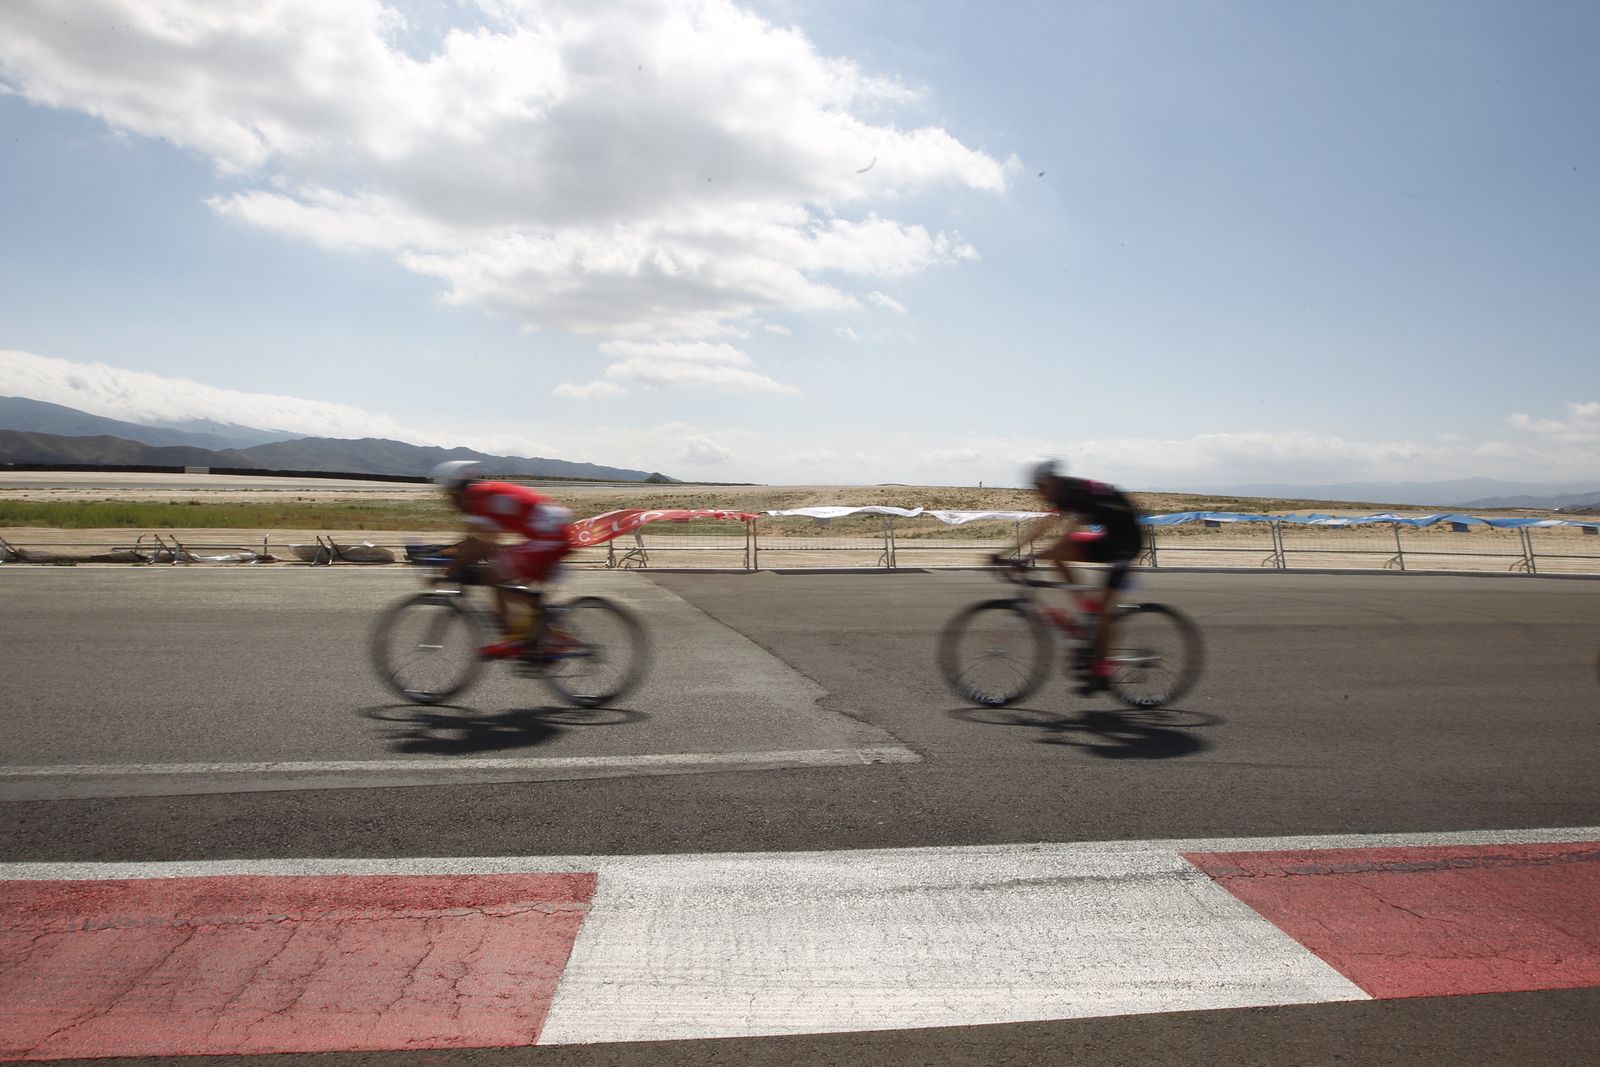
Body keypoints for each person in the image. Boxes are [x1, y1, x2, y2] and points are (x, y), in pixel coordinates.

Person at [1020, 459, 1147, 694]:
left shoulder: (1076, 492)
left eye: (1040, 488)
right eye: (1035, 490)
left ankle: (1103, 669)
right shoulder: (1060, 494)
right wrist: (1006, 553)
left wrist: (1032, 556)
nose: (1038, 494)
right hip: (1108, 537)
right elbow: (1044, 526)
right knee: (1056, 556)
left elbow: (1069, 532)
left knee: (1105, 610)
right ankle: (1086, 605)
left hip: (1127, 541)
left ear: (1051, 482)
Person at [429, 460, 576, 658]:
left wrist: (452, 568)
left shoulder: (478, 498)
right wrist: (452, 555)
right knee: (501, 571)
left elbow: (480, 545)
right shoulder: (483, 494)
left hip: (551, 538)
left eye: (447, 495)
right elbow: (477, 541)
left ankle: (516, 640)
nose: (447, 501)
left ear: (456, 491)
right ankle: (543, 634)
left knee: (496, 573)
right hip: (551, 535)